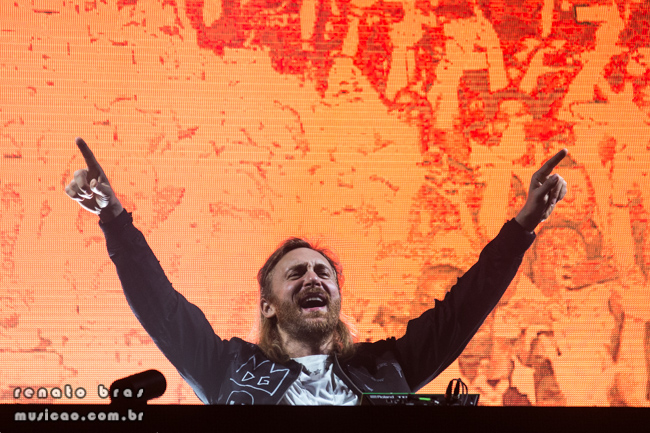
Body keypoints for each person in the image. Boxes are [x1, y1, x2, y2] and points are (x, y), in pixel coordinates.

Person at [65, 137, 568, 405]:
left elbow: (462, 310)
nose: (313, 279)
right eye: (296, 273)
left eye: (323, 274)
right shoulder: (226, 367)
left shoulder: (385, 367)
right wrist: (114, 218)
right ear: (268, 305)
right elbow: (162, 309)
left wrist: (524, 224)